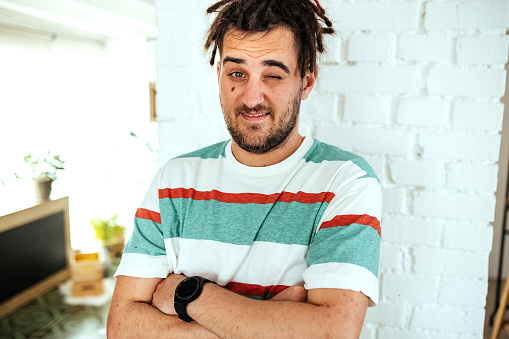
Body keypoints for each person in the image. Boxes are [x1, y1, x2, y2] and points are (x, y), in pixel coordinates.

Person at [107, 0, 381, 338]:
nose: (252, 98)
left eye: (273, 75)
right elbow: (121, 326)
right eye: (237, 73)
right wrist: (264, 321)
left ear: (306, 82)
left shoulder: (345, 181)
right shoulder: (173, 181)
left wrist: (186, 294)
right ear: (219, 73)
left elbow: (331, 332)